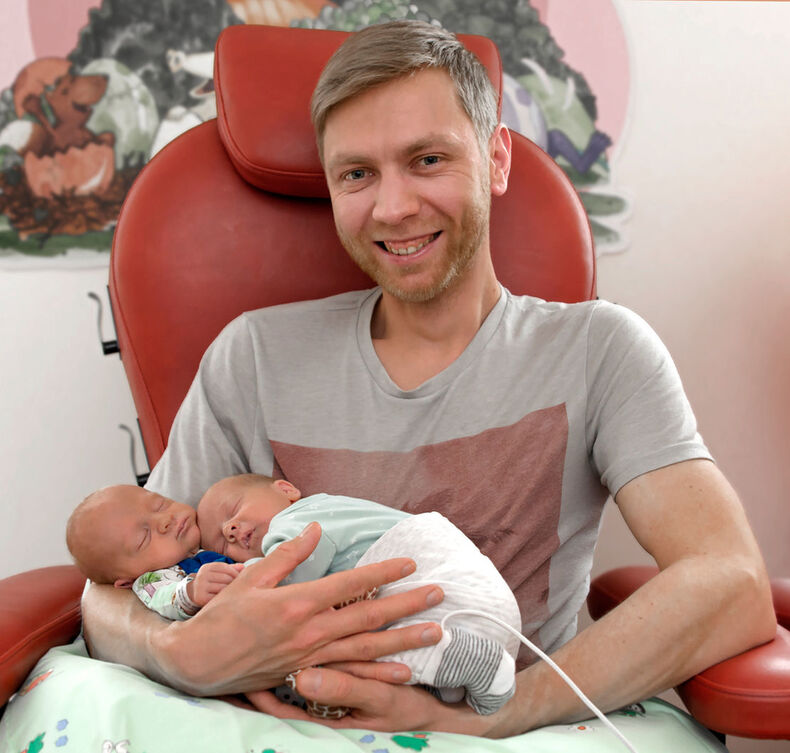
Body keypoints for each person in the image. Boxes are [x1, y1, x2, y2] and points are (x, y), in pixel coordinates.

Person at [82, 19, 776, 737]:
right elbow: (107, 595)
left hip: (512, 727)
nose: (393, 207)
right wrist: (186, 651)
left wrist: (501, 714)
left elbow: (730, 581)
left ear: (496, 159)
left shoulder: (601, 349)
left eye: (427, 159)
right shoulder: (251, 357)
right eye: (357, 174)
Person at [198, 473, 522, 715]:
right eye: (221, 544)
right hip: (474, 601)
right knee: (390, 671)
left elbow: (286, 574)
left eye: (234, 509)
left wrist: (235, 582)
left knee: (342, 662)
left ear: (286, 491)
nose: (230, 529)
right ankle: (464, 672)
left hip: (428, 568)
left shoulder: (297, 519)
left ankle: (471, 663)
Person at [65, 484, 243, 620]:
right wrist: (191, 591)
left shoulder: (207, 524)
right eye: (144, 537)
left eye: (160, 505)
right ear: (127, 582)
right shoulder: (152, 580)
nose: (165, 520)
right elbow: (167, 598)